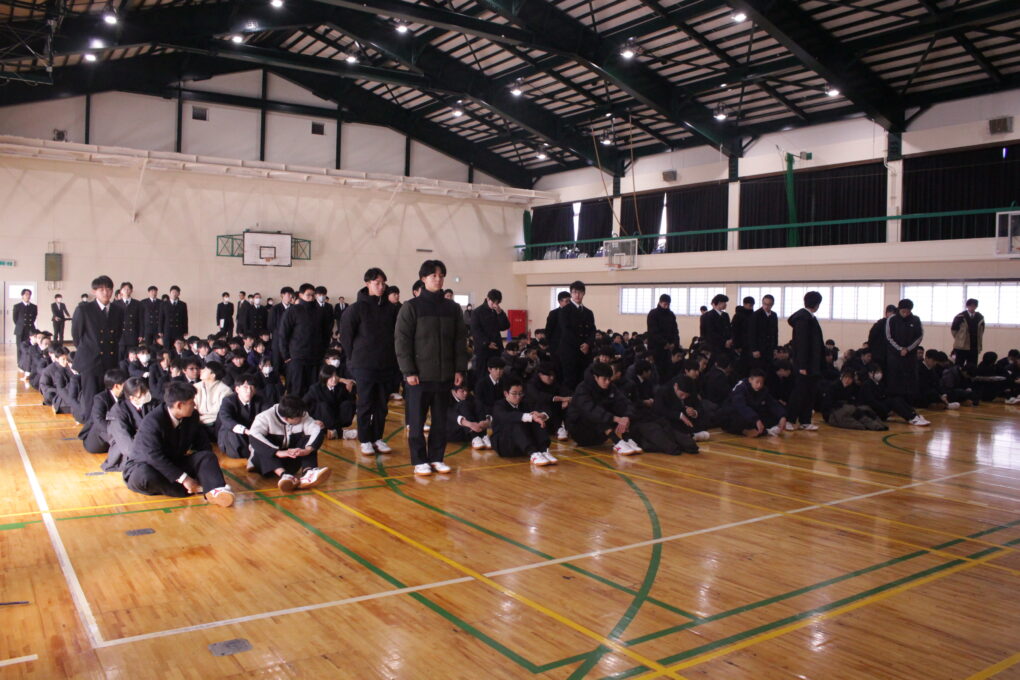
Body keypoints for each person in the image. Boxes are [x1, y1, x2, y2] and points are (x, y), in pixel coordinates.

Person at [395, 259, 469, 476]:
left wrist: (459, 369)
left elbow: (459, 341)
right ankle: (419, 460)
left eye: (441, 276)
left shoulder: (452, 308)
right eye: (433, 276)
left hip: (445, 375)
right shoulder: (411, 307)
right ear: (423, 279)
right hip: (419, 376)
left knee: (440, 421)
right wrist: (408, 371)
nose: (438, 279)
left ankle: (437, 458)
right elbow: (402, 341)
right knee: (417, 421)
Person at [122, 381, 235, 507]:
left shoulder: (192, 416)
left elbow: (203, 444)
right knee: (145, 475)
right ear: (179, 405)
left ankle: (215, 491)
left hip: (174, 462)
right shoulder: (153, 421)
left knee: (207, 457)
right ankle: (194, 488)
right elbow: (153, 457)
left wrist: (208, 470)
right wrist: (184, 478)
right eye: (191, 402)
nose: (195, 405)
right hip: (145, 466)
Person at [341, 268, 400, 456]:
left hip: (386, 365)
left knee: (382, 405)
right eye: (377, 283)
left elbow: (396, 336)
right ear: (367, 284)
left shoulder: (391, 309)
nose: (381, 287)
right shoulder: (356, 309)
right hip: (363, 365)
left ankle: (377, 437)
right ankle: (365, 439)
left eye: (383, 283)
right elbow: (346, 338)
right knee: (365, 404)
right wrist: (354, 360)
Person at [248, 395, 331, 491]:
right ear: (286, 418)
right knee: (260, 446)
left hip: (291, 460)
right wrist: (277, 452)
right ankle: (285, 476)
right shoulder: (264, 417)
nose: (302, 418)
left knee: (310, 438)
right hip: (268, 464)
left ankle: (309, 472)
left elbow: (316, 430)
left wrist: (307, 450)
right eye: (298, 417)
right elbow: (253, 436)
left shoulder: (302, 415)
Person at [72, 275, 124, 423]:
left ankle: (107, 427)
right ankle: (90, 428)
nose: (106, 292)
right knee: (91, 397)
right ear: (94, 291)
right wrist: (89, 351)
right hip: (90, 361)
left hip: (110, 360)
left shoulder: (118, 310)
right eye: (101, 289)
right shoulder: (84, 309)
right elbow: (76, 336)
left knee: (109, 396)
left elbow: (118, 334)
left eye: (108, 289)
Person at [566, 362, 640, 454]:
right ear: (595, 377)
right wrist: (615, 418)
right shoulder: (582, 389)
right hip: (581, 432)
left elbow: (625, 403)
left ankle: (627, 439)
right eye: (604, 379)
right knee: (593, 413)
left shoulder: (611, 387)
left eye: (609, 379)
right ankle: (617, 441)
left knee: (621, 408)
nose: (607, 382)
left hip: (600, 436)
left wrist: (626, 417)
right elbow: (590, 410)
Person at [491, 376, 555, 466]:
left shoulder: (525, 403)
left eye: (520, 394)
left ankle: (543, 450)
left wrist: (541, 415)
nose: (518, 397)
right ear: (506, 393)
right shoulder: (499, 405)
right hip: (505, 445)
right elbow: (507, 416)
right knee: (515, 421)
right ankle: (533, 454)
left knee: (537, 419)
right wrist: (530, 417)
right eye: (514, 394)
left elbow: (545, 409)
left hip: (522, 446)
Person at [786, 291, 824, 431]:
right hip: (804, 364)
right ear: (817, 304)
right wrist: (802, 365)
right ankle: (790, 419)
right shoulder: (803, 319)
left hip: (812, 364)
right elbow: (802, 343)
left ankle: (805, 420)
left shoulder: (810, 318)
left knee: (810, 392)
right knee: (799, 392)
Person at [104, 377, 158, 472]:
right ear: (131, 397)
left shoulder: (152, 403)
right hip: (128, 449)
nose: (145, 395)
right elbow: (126, 445)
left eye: (146, 391)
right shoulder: (118, 411)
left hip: (151, 443)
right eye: (142, 394)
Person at [280, 284, 325, 398]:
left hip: (315, 358)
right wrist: (286, 355)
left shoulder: (319, 311)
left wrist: (322, 353)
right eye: (308, 295)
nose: (311, 298)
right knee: (297, 389)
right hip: (297, 357)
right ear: (300, 295)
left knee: (314, 390)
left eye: (313, 295)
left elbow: (325, 333)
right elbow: (283, 334)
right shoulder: (292, 311)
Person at [718, 369, 788, 437]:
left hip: (751, 413)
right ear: (750, 380)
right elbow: (741, 406)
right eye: (757, 382)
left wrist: (782, 416)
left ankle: (760, 430)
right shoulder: (741, 388)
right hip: (734, 412)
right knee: (735, 418)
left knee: (772, 416)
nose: (759, 385)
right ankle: (744, 431)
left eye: (761, 383)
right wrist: (756, 419)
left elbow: (772, 403)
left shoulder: (763, 390)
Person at [859, 363, 930, 426]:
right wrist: (886, 409)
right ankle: (911, 418)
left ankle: (913, 415)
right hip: (873, 411)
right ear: (870, 374)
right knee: (893, 402)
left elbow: (885, 395)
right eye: (877, 372)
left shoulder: (879, 384)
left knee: (897, 399)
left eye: (880, 372)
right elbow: (872, 402)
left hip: (880, 408)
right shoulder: (867, 385)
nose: (879, 374)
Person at [216, 375, 266, 459]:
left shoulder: (260, 399)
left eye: (252, 387)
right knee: (235, 435)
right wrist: (246, 431)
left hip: (252, 432)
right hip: (233, 434)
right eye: (245, 387)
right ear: (237, 389)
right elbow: (225, 418)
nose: (249, 391)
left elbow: (267, 414)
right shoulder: (228, 400)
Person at [78, 368, 127, 454]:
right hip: (98, 440)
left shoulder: (125, 397)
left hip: (117, 434)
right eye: (125, 384)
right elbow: (98, 421)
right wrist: (116, 432)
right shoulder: (101, 398)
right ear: (117, 386)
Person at [885, 299, 924, 405]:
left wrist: (908, 349)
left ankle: (909, 403)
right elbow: (888, 337)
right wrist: (899, 349)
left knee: (910, 380)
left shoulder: (916, 319)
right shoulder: (892, 319)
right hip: (894, 355)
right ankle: (894, 404)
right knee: (895, 379)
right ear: (899, 309)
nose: (905, 314)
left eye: (908, 312)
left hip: (910, 356)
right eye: (903, 311)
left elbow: (919, 336)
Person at [558, 281, 596, 390]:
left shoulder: (589, 312)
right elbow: (566, 331)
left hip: (585, 353)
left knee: (584, 381)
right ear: (571, 294)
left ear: (584, 293)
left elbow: (593, 330)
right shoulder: (565, 310)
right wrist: (581, 345)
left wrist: (588, 344)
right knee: (570, 381)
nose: (577, 295)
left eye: (580, 292)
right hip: (570, 352)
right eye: (574, 292)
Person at [303, 365, 356, 440]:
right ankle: (340, 433)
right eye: (330, 377)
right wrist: (312, 420)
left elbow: (351, 402)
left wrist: (350, 392)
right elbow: (303, 404)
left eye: (335, 376)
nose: (334, 379)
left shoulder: (341, 386)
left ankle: (336, 430)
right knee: (323, 405)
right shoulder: (315, 388)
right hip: (322, 416)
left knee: (348, 404)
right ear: (325, 377)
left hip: (336, 416)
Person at [471, 288, 511, 374]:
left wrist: (500, 313)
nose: (495, 305)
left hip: (496, 347)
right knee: (482, 373)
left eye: (497, 303)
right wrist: (487, 343)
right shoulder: (477, 312)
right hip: (483, 348)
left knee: (496, 372)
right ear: (488, 299)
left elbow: (505, 326)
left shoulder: (497, 311)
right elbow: (476, 331)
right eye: (493, 302)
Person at [527, 362, 570, 441]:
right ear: (540, 375)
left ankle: (564, 428)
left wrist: (566, 400)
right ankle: (559, 427)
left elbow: (565, 391)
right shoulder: (531, 384)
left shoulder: (554, 382)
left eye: (553, 375)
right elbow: (539, 397)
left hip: (553, 412)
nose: (552, 378)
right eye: (549, 375)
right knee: (547, 402)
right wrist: (561, 399)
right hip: (537, 411)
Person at [194, 361, 232, 437]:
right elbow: (193, 408)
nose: (201, 370)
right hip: (197, 422)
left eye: (205, 370)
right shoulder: (195, 387)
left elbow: (220, 412)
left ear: (213, 375)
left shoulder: (225, 390)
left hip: (216, 424)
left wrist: (203, 414)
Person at [646, 294, 680, 381]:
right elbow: (653, 332)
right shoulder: (653, 314)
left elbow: (675, 331)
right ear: (660, 302)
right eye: (664, 304)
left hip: (669, 349)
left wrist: (674, 343)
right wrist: (665, 343)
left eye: (668, 304)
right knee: (657, 372)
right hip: (656, 348)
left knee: (668, 371)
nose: (666, 307)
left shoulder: (671, 315)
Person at [112, 282, 142, 361]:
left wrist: (141, 334)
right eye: (124, 289)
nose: (126, 291)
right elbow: (112, 321)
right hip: (120, 335)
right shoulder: (115, 304)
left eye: (128, 289)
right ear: (121, 291)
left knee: (132, 357)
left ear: (131, 291)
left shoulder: (137, 303)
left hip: (133, 334)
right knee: (120, 357)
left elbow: (140, 320)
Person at [951, 299, 985, 366]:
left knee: (972, 365)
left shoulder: (980, 317)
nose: (972, 308)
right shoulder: (960, 316)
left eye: (974, 306)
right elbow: (954, 330)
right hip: (961, 346)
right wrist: (960, 338)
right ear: (967, 306)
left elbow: (982, 330)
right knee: (959, 365)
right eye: (970, 306)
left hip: (974, 346)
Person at [699, 294, 732, 359]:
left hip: (726, 346)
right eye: (724, 303)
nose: (726, 305)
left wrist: (730, 340)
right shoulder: (707, 316)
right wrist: (724, 342)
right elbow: (709, 333)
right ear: (719, 303)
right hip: (713, 346)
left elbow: (729, 329)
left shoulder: (725, 315)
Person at [13, 288, 37, 369]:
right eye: (26, 294)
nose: (28, 296)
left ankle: (29, 362)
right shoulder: (17, 306)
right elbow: (15, 319)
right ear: (22, 296)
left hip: (30, 329)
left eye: (29, 294)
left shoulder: (33, 306)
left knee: (30, 346)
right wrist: (21, 325)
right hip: (20, 329)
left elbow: (34, 318)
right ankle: (20, 363)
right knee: (19, 346)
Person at [868, 305, 898, 370]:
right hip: (879, 355)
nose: (892, 316)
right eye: (890, 313)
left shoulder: (895, 324)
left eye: (894, 314)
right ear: (886, 313)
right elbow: (872, 337)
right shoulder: (880, 324)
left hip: (889, 356)